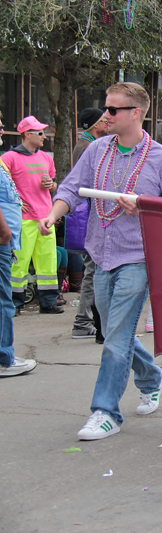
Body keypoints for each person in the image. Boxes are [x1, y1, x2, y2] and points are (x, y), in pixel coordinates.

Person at [39, 82, 162, 440]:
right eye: (106, 107)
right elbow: (71, 188)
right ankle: (151, 376)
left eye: (113, 109)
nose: (106, 114)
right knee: (111, 332)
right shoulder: (97, 150)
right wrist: (53, 215)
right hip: (100, 256)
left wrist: (144, 208)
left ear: (135, 113)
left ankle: (105, 412)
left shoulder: (161, 159)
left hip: (137, 258)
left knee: (117, 337)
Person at [0, 116, 62, 315]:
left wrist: (52, 185)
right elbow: (4, 187)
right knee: (19, 261)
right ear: (27, 134)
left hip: (45, 216)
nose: (44, 136)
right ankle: (14, 303)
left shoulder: (46, 158)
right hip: (23, 219)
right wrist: (17, 201)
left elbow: (53, 184)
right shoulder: (8, 158)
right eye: (40, 133)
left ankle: (49, 302)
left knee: (48, 261)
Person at [0, 113, 37, 377]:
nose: (2, 130)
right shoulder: (10, 158)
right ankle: (4, 358)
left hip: (7, 238)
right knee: (3, 300)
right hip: (2, 238)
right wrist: (4, 232)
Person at [71, 107, 109, 341]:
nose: (108, 122)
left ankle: (85, 321)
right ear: (96, 125)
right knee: (93, 269)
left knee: (92, 269)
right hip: (91, 215)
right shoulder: (89, 147)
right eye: (104, 120)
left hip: (90, 213)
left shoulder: (87, 144)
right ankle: (83, 321)